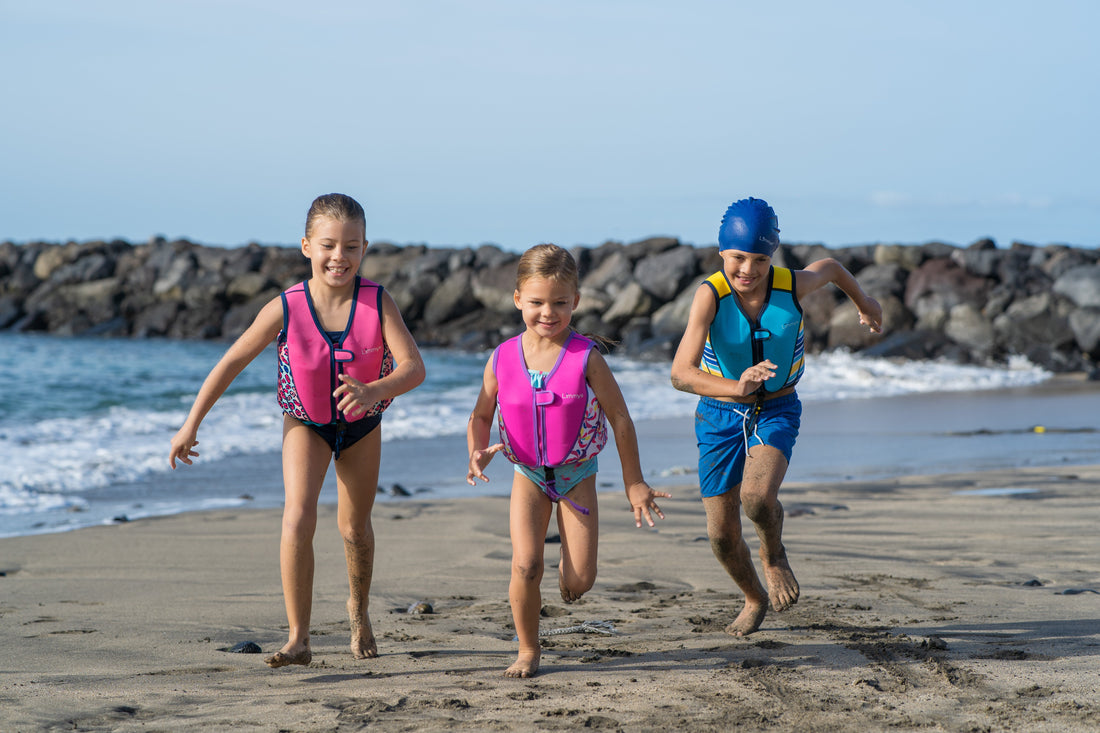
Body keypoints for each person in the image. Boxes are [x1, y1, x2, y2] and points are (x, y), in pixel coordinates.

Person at [169, 193, 425, 667]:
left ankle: (359, 611)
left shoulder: (376, 301)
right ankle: (299, 638)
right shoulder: (286, 306)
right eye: (328, 245)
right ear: (306, 245)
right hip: (305, 424)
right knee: (297, 517)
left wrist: (373, 389)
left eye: (351, 246)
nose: (339, 257)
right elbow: (232, 362)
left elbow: (414, 368)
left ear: (364, 248)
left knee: (354, 529)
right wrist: (191, 424)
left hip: (362, 425)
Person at [670, 197, 882, 637]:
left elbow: (832, 268)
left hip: (778, 408)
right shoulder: (709, 296)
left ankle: (773, 554)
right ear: (721, 253)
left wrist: (864, 302)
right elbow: (680, 374)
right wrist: (736, 386)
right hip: (719, 413)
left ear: (773, 256)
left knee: (757, 498)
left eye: (760, 260)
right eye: (738, 258)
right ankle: (752, 596)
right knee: (721, 536)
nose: (747, 270)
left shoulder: (790, 285)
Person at [466, 243, 669, 678]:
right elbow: (482, 415)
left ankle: (566, 576)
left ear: (575, 301)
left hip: (577, 476)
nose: (548, 312)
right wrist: (477, 450)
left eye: (560, 303)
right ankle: (527, 649)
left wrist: (634, 482)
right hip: (528, 476)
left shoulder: (586, 358)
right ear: (518, 298)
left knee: (580, 581)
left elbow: (619, 418)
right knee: (525, 564)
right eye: (537, 302)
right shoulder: (501, 358)